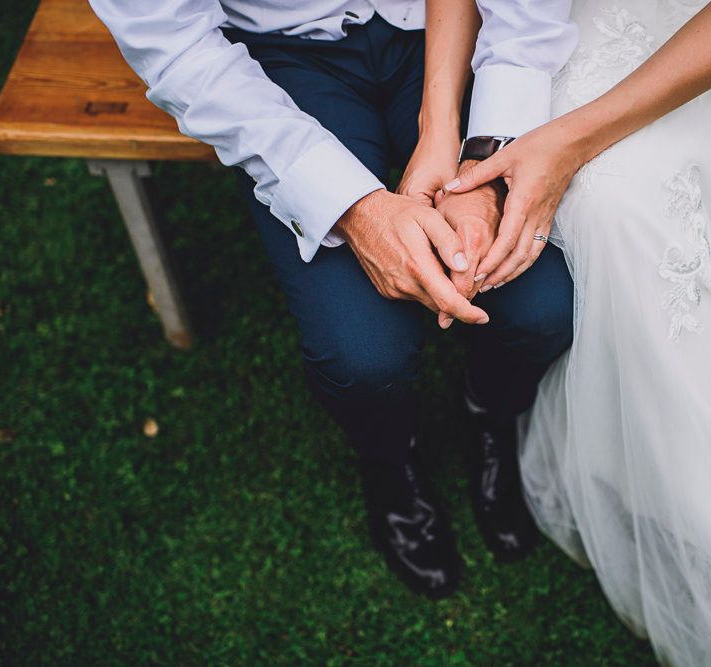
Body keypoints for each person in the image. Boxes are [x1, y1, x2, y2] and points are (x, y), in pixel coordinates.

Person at [89, 0, 577, 598]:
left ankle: (490, 418)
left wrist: (485, 154)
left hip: (451, 27)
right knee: (362, 355)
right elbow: (176, 48)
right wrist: (352, 209)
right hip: (278, 58)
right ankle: (390, 463)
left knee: (541, 306)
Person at [412, 0, 711, 662]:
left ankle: (658, 471)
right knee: (616, 207)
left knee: (620, 196)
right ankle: (496, 408)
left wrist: (571, 140)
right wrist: (468, 146)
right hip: (569, 21)